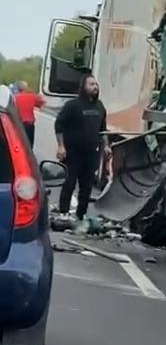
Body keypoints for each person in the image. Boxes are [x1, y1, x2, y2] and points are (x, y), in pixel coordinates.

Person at [55, 74, 111, 231]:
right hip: (73, 152)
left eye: (96, 84)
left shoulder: (100, 106)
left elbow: (103, 130)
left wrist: (106, 146)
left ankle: (81, 214)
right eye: (91, 84)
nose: (95, 87)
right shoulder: (72, 105)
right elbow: (59, 125)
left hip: (91, 153)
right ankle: (64, 213)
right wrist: (61, 146)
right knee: (69, 183)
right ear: (83, 87)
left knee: (86, 186)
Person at [14, 81, 45, 147]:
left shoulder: (15, 97)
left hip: (19, 124)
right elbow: (42, 103)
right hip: (29, 124)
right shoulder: (32, 96)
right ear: (26, 88)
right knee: (29, 144)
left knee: (20, 144)